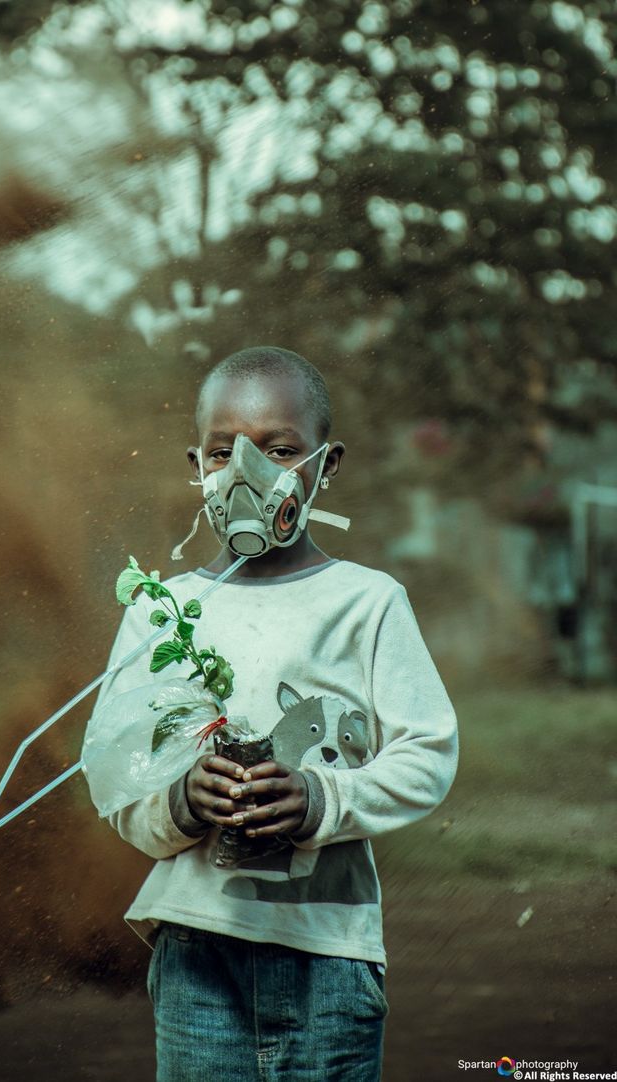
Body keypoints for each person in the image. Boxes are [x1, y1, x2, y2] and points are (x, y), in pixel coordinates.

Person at [85, 346, 458, 1081]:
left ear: (327, 463)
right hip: (197, 955)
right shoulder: (162, 612)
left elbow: (427, 753)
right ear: (196, 465)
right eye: (223, 452)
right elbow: (118, 783)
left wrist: (323, 798)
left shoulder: (367, 601)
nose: (246, 472)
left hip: (331, 954)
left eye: (280, 449)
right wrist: (185, 801)